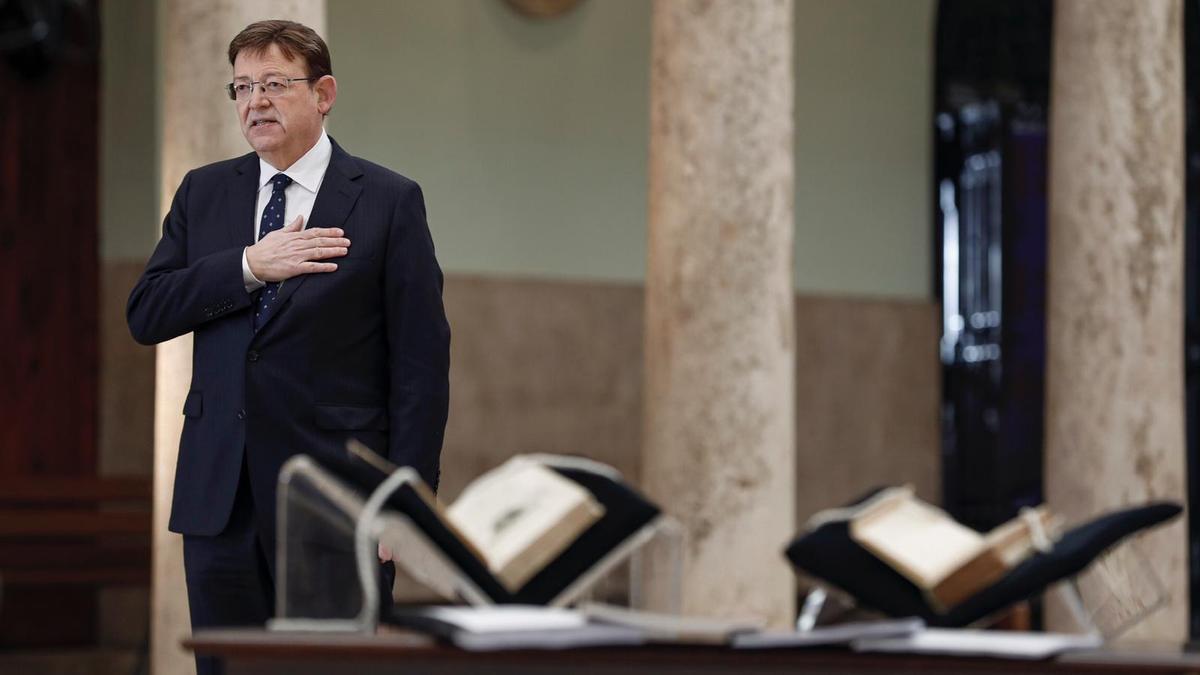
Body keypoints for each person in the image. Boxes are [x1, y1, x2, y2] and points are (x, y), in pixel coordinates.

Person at [126, 19, 449, 668]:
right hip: (220, 505)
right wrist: (249, 264)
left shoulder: (387, 201)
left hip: (338, 506)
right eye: (241, 87)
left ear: (324, 93)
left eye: (274, 84)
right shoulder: (204, 192)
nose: (255, 102)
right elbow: (147, 311)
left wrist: (405, 504)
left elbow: (420, 369)